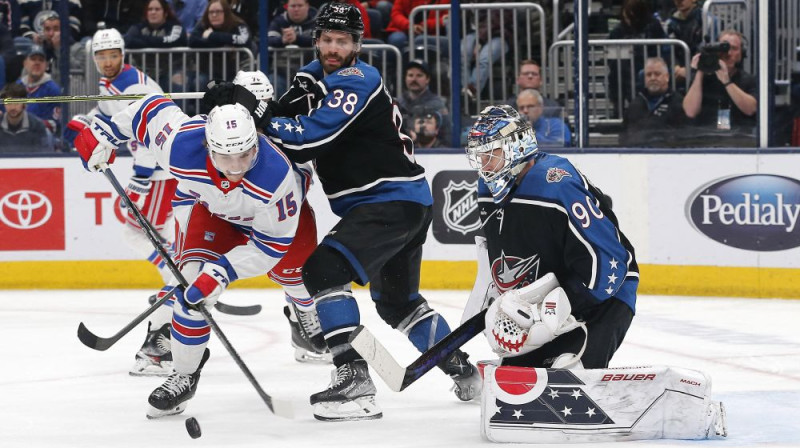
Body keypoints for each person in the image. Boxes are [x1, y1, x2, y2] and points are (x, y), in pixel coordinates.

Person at [205, 3, 482, 421]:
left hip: (389, 201)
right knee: (398, 305)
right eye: (328, 40)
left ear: (357, 44)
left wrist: (257, 116)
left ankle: (353, 380)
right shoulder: (313, 78)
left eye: (343, 41)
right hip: (402, 203)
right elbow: (277, 115)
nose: (334, 48)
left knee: (321, 271)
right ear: (316, 40)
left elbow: (307, 139)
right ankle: (462, 369)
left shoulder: (360, 78)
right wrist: (235, 107)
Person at [71, 92, 320, 419]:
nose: (235, 168)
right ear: (207, 146)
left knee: (298, 279)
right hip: (212, 211)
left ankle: (306, 317)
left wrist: (223, 272)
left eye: (245, 156)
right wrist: (103, 134)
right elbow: (148, 109)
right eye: (225, 157)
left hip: (277, 225)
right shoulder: (181, 144)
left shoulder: (276, 178)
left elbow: (270, 245)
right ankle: (185, 375)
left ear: (256, 144)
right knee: (190, 289)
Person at [464, 103, 637, 367]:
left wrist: (563, 305)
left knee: (569, 373)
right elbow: (504, 248)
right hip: (550, 293)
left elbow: (609, 258)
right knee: (519, 378)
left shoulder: (557, 184)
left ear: (517, 147)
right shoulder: (486, 187)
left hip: (605, 294)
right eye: (480, 156)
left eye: (491, 154)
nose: (485, 166)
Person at [64, 28, 179, 376]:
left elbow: (146, 131)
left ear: (123, 54)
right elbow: (109, 114)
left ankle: (173, 284)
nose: (108, 61)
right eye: (102, 56)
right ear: (95, 59)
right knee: (143, 234)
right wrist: (85, 122)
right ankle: (175, 277)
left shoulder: (134, 86)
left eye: (113, 54)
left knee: (140, 233)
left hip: (160, 172)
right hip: (159, 171)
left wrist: (141, 180)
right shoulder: (111, 83)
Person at [682, 29, 757, 133]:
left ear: (742, 53)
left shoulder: (748, 79)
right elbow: (690, 112)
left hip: (739, 137)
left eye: (734, 48)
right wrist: (701, 70)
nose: (729, 53)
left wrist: (727, 82)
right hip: (706, 136)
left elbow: (751, 109)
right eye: (724, 48)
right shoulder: (702, 78)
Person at [621, 57, 686, 146]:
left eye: (657, 74)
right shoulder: (635, 104)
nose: (652, 78)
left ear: (667, 77)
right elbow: (624, 135)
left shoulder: (678, 102)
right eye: (649, 75)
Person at [396, 58, 449, 146]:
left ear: (427, 79)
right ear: (405, 78)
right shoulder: (398, 103)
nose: (414, 79)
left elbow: (447, 134)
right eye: (410, 75)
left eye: (419, 75)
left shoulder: (437, 104)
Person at [16, 44, 61, 135]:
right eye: (33, 59)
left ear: (46, 65)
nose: (37, 63)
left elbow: (54, 124)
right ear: (25, 63)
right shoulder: (17, 86)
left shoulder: (53, 90)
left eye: (41, 60)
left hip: (41, 140)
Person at [0, 81, 52, 153]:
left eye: (17, 102)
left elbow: (43, 157)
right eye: (8, 102)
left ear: (24, 103)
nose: (12, 107)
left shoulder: (37, 126)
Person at [665, 0, 703, 82]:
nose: (679, 1)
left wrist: (690, 68)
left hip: (700, 68)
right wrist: (675, 67)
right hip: (677, 71)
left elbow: (704, 47)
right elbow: (668, 49)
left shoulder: (706, 19)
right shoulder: (669, 23)